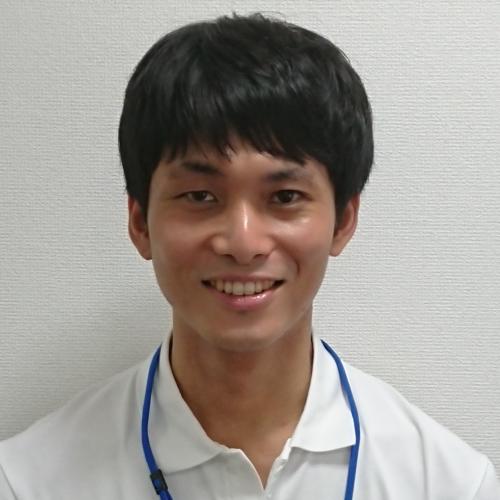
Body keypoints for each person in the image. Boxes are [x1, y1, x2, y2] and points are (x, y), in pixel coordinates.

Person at [0, 12, 498, 500]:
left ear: (343, 220)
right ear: (140, 223)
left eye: (284, 197)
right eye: (200, 196)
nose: (242, 243)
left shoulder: (449, 483)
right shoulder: (28, 481)